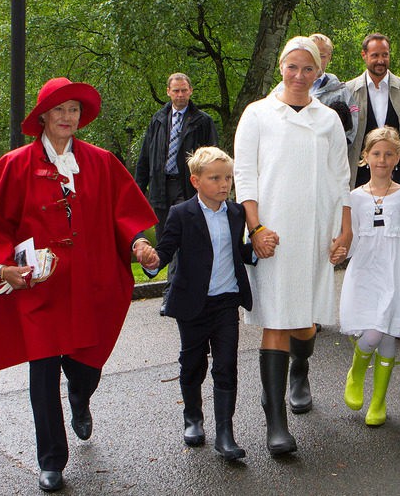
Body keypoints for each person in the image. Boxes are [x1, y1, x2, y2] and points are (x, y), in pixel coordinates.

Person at [0, 78, 158, 493]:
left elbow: (126, 213)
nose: (68, 118)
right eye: (60, 110)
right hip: (39, 288)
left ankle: (80, 394)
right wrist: (0, 268)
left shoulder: (100, 162)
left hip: (92, 282)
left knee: (86, 361)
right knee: (42, 370)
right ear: (43, 116)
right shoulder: (15, 165)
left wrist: (138, 243)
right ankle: (51, 460)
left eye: (74, 111)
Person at [233, 35, 352, 456]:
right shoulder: (258, 114)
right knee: (276, 319)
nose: (299, 76)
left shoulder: (328, 119)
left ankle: (300, 367)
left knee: (304, 324)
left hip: (316, 231)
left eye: (308, 69)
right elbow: (245, 175)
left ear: (319, 72)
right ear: (281, 67)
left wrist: (345, 230)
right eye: (292, 67)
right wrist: (256, 227)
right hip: (273, 234)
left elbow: (342, 179)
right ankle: (275, 420)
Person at [138, 147, 253, 461]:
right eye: (215, 178)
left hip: (227, 301)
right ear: (196, 181)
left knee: (226, 364)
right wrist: (150, 261)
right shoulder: (181, 213)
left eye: (227, 177)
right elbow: (164, 251)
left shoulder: (236, 213)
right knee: (193, 364)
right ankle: (193, 418)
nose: (223, 183)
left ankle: (225, 434)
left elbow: (239, 252)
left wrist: (256, 249)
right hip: (192, 304)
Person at [341, 127, 400, 427]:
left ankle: (378, 401)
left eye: (389, 154)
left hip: (392, 273)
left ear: (397, 158)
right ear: (365, 157)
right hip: (364, 272)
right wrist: (337, 248)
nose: (382, 159)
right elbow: (348, 241)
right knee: (372, 333)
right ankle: (356, 369)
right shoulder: (353, 197)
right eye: (376, 153)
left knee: (388, 335)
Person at [135, 72, 218, 315]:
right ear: (168, 92)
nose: (180, 95)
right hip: (161, 187)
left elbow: (212, 158)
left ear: (191, 91)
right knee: (165, 240)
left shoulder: (202, 121)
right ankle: (180, 290)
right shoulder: (159, 120)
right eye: (176, 91)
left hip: (188, 186)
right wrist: (137, 191)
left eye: (184, 90)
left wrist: (210, 187)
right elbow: (145, 157)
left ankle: (171, 293)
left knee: (183, 239)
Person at [346, 33, 400, 187]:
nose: (380, 60)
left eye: (385, 55)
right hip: (359, 180)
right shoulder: (348, 91)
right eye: (375, 55)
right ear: (364, 55)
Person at [273, 33, 359, 144]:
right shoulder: (279, 91)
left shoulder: (340, 92)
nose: (316, 59)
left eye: (321, 56)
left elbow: (349, 131)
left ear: (329, 57)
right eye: (313, 54)